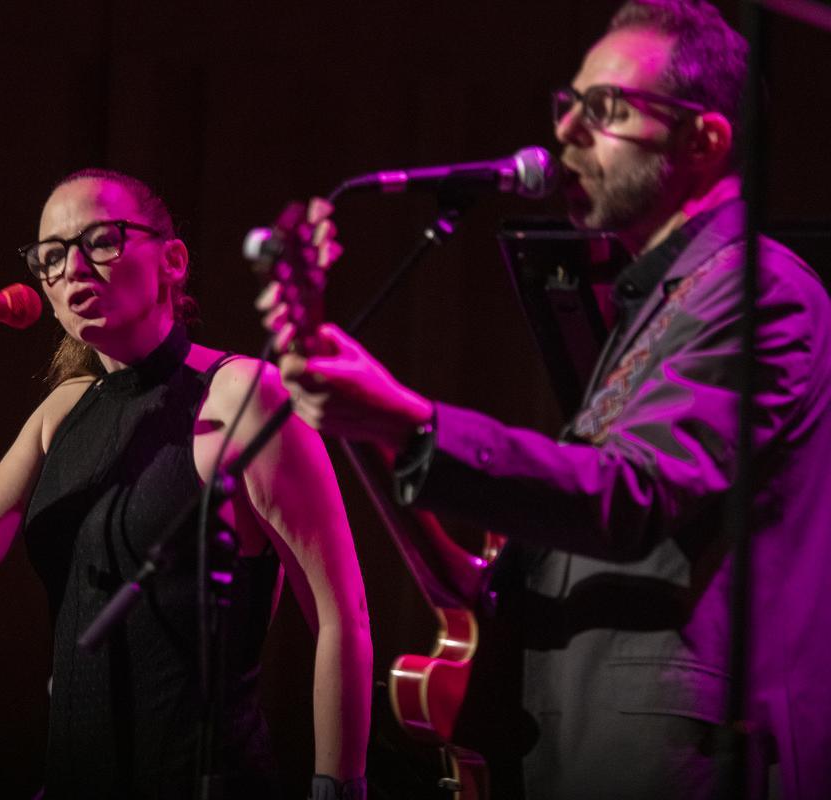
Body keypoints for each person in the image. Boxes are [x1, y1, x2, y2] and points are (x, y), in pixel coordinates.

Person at [264, 1, 831, 798]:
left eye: (606, 109)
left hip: (674, 760)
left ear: (704, 140)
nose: (564, 134)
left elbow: (633, 494)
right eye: (569, 106)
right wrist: (370, 421)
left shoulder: (759, 291)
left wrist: (406, 417)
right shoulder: (668, 301)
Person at [0, 168, 371, 798]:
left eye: (101, 240)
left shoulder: (241, 396)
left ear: (172, 260)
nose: (72, 268)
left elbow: (342, 614)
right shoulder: (62, 412)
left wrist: (337, 788)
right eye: (52, 255)